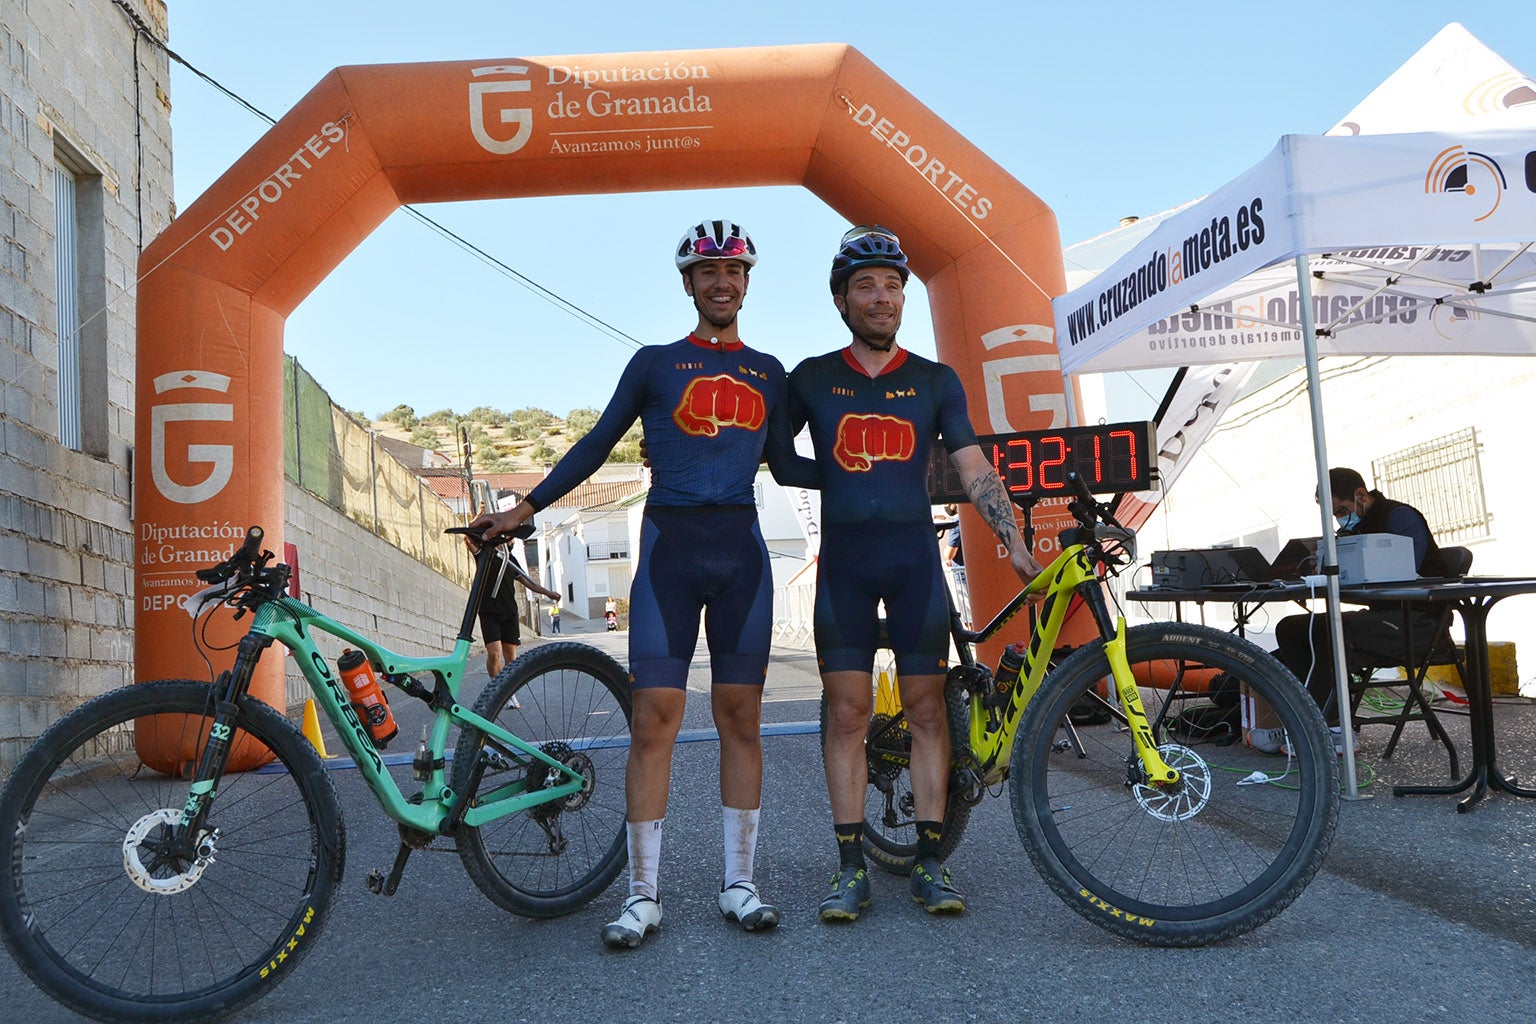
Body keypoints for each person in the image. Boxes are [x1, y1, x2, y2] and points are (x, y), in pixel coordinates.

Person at [469, 220, 815, 950]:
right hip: (669, 551)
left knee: (740, 720)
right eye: (707, 272)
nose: (722, 282)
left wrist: (885, 475)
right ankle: (642, 896)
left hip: (741, 556)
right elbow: (597, 442)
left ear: (748, 282)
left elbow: (788, 465)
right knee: (655, 718)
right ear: (688, 283)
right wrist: (525, 508)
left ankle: (740, 884)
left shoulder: (770, 371)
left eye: (734, 271)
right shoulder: (656, 364)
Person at [788, 226, 1041, 921]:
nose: (882, 297)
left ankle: (932, 863)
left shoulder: (934, 380)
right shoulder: (811, 377)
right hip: (844, 566)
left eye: (893, 286)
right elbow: (776, 458)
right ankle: (849, 870)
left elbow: (972, 467)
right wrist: (840, 477)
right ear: (841, 299)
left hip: (912, 565)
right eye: (866, 286)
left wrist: (1011, 541)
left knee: (930, 712)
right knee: (847, 715)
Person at [1257, 467, 1448, 753]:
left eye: (1341, 510)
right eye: (1334, 515)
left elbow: (1406, 570)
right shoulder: (1351, 529)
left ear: (1361, 495)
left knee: (1330, 635)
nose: (1339, 519)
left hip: (1417, 623)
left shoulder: (1399, 517)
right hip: (1380, 618)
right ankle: (1312, 723)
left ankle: (1332, 731)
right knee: (1294, 629)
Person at [468, 537, 560, 683]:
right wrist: (479, 517)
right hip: (489, 612)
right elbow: (467, 539)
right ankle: (495, 686)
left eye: (511, 541)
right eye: (508, 540)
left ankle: (509, 690)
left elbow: (529, 582)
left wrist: (548, 593)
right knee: (494, 654)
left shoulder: (511, 561)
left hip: (509, 612)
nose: (511, 542)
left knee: (511, 654)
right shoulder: (483, 554)